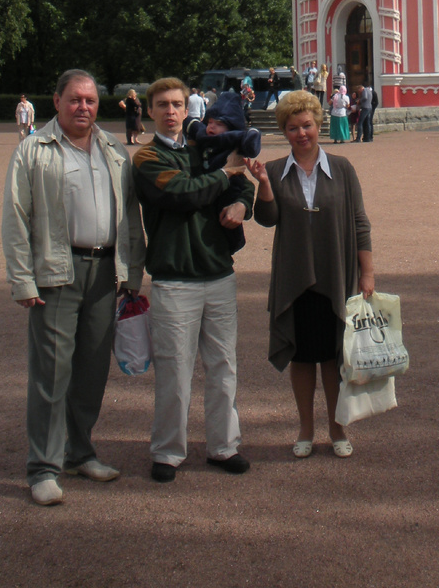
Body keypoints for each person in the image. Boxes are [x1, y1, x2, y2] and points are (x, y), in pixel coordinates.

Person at [2, 70, 146, 506]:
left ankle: (79, 452)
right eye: (75, 100)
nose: (83, 107)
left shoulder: (113, 149)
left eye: (90, 100)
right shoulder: (34, 149)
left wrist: (133, 272)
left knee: (91, 370)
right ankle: (43, 467)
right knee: (51, 373)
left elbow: (131, 216)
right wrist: (22, 278)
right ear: (57, 101)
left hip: (105, 272)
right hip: (57, 272)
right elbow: (16, 217)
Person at [132, 78, 255, 483]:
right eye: (162, 104)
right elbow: (181, 194)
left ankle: (224, 446)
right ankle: (168, 451)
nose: (170, 111)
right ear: (150, 111)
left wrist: (239, 202)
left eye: (177, 104)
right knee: (174, 370)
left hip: (218, 273)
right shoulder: (146, 158)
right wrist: (225, 177)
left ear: (188, 110)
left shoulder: (207, 149)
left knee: (223, 367)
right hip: (175, 277)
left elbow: (243, 183)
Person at [246, 90, 374, 459]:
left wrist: (368, 274)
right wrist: (265, 187)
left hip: (334, 274)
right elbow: (267, 219)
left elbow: (359, 222)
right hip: (294, 277)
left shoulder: (343, 168)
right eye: (292, 128)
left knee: (334, 356)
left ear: (319, 125)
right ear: (284, 132)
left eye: (307, 126)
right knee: (301, 358)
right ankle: (305, 428)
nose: (301, 134)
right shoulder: (272, 170)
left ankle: (337, 427)